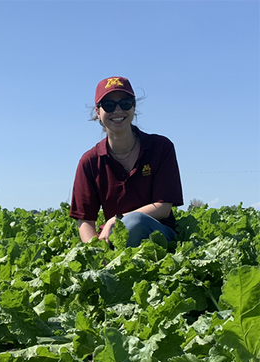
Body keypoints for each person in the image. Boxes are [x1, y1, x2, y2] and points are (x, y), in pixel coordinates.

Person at [70, 76, 184, 247]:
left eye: (125, 103)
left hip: (159, 235)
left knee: (135, 222)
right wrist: (96, 252)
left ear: (134, 107)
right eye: (109, 105)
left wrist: (119, 220)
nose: (117, 110)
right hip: (114, 237)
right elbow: (85, 221)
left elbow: (163, 207)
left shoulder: (160, 147)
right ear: (98, 112)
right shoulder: (90, 161)